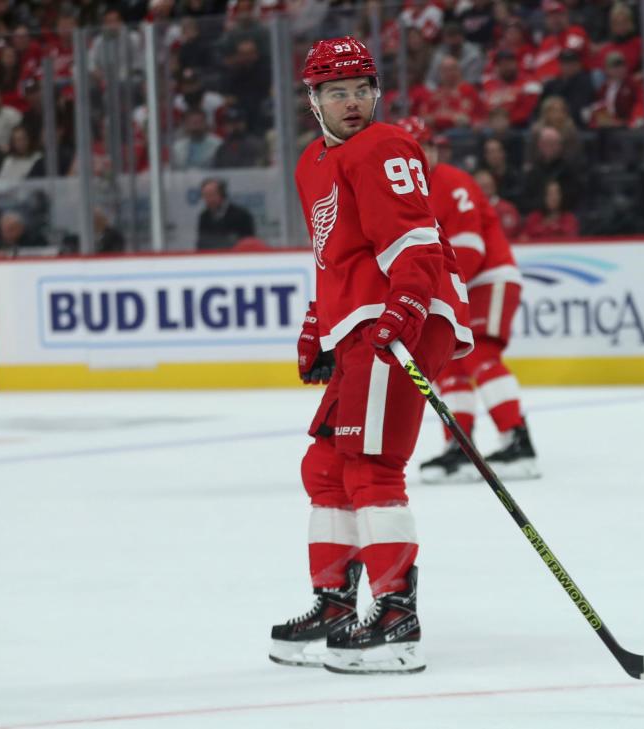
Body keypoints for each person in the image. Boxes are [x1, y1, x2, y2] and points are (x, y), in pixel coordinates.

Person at [268, 37, 472, 675]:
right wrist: (317, 325)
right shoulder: (311, 165)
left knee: (371, 468)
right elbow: (336, 257)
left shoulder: (383, 146)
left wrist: (406, 308)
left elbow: (416, 244)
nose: (352, 102)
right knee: (325, 468)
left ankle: (395, 617)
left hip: (401, 316)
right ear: (313, 100)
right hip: (362, 323)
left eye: (361, 88)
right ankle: (334, 602)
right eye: (336, 91)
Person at [397, 116, 538, 483]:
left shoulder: (452, 183)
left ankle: (517, 440)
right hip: (453, 287)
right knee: (450, 364)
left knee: (480, 354)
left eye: (422, 148)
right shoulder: (401, 193)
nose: (416, 156)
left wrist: (432, 290)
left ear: (432, 150)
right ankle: (459, 447)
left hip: (489, 278)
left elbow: (470, 249)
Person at [196, 177, 254, 250]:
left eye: (212, 195)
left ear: (222, 194)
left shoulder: (241, 215)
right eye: (206, 195)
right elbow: (202, 244)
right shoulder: (204, 216)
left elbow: (249, 243)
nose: (209, 199)